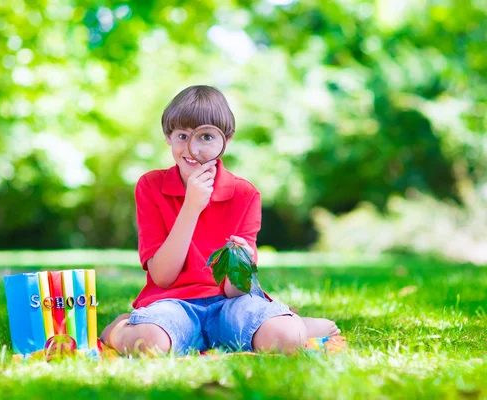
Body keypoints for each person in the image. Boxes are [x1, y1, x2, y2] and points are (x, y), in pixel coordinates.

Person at [101, 85, 340, 356]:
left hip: (230, 305)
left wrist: (243, 261)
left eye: (205, 136)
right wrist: (191, 207)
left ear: (226, 139)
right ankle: (120, 327)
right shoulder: (151, 186)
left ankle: (292, 324)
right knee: (148, 344)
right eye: (182, 136)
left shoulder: (244, 194)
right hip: (173, 303)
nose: (194, 148)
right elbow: (163, 277)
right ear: (168, 137)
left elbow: (236, 290)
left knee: (286, 338)